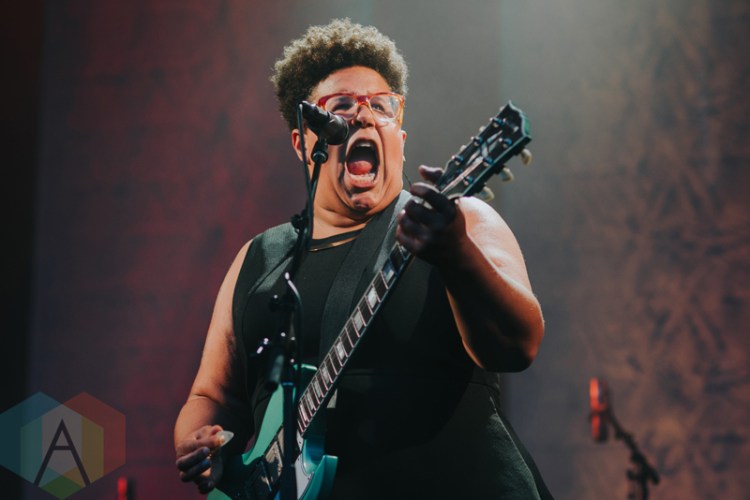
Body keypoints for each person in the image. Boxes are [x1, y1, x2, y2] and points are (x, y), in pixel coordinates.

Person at [174, 18, 552, 499]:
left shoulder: (458, 220)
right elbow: (212, 395)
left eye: (382, 106)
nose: (365, 117)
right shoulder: (260, 258)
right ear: (303, 141)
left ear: (400, 139)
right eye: (342, 106)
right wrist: (201, 443)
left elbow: (516, 348)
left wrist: (456, 254)